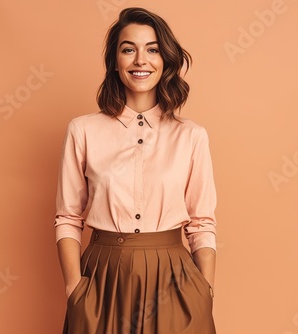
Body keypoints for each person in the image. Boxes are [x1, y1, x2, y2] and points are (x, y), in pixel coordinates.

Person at [54, 7, 218, 334]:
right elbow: (68, 218)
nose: (140, 60)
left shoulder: (191, 136)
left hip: (175, 278)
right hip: (102, 277)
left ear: (165, 60)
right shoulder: (83, 130)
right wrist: (74, 288)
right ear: (115, 61)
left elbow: (202, 222)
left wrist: (205, 291)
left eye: (152, 49)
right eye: (129, 49)